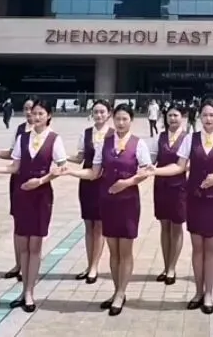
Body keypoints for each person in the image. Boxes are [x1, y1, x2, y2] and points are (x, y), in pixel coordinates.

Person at [148, 97, 213, 315]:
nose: (208, 119)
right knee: (197, 248)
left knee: (211, 248)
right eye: (205, 115)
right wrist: (155, 171)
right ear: (199, 117)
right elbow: (179, 167)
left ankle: (209, 293)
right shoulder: (191, 139)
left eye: (212, 115)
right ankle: (198, 292)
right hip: (195, 198)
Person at [0, 99, 66, 313]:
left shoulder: (54, 139)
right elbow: (14, 167)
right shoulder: (23, 138)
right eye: (34, 113)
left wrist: (41, 180)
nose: (36, 117)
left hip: (41, 195)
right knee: (23, 244)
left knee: (35, 246)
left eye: (41, 113)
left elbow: (61, 167)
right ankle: (24, 290)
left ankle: (30, 292)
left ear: (49, 116)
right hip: (22, 193)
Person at [64, 103, 152, 316]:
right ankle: (116, 290)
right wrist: (70, 172)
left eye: (125, 119)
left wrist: (127, 182)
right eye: (118, 119)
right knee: (113, 250)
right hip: (108, 201)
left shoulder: (138, 144)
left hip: (128, 202)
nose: (120, 123)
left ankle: (121, 293)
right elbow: (94, 172)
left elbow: (146, 171)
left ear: (131, 120)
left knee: (125, 250)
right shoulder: (104, 143)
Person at [70, 99, 113, 284]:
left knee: (100, 226)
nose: (99, 115)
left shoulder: (113, 134)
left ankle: (95, 266)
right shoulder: (86, 133)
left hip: (105, 182)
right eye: (96, 112)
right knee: (89, 225)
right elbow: (80, 157)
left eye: (102, 112)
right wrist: (61, 159)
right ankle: (89, 265)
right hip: (87, 182)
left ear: (109, 114)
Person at [0, 99, 33, 282]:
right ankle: (18, 264)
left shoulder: (47, 134)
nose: (29, 112)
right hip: (18, 179)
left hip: (36, 181)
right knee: (18, 223)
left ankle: (29, 265)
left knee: (32, 226)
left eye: (32, 109)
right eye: (26, 109)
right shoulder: (20, 130)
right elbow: (12, 154)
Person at [151, 102, 188, 284]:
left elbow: (186, 165)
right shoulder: (160, 137)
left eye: (176, 115)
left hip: (179, 187)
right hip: (161, 186)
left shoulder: (188, 138)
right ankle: (166, 267)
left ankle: (172, 268)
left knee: (176, 227)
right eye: (170, 115)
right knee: (164, 226)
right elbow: (151, 159)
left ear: (182, 117)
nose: (172, 119)